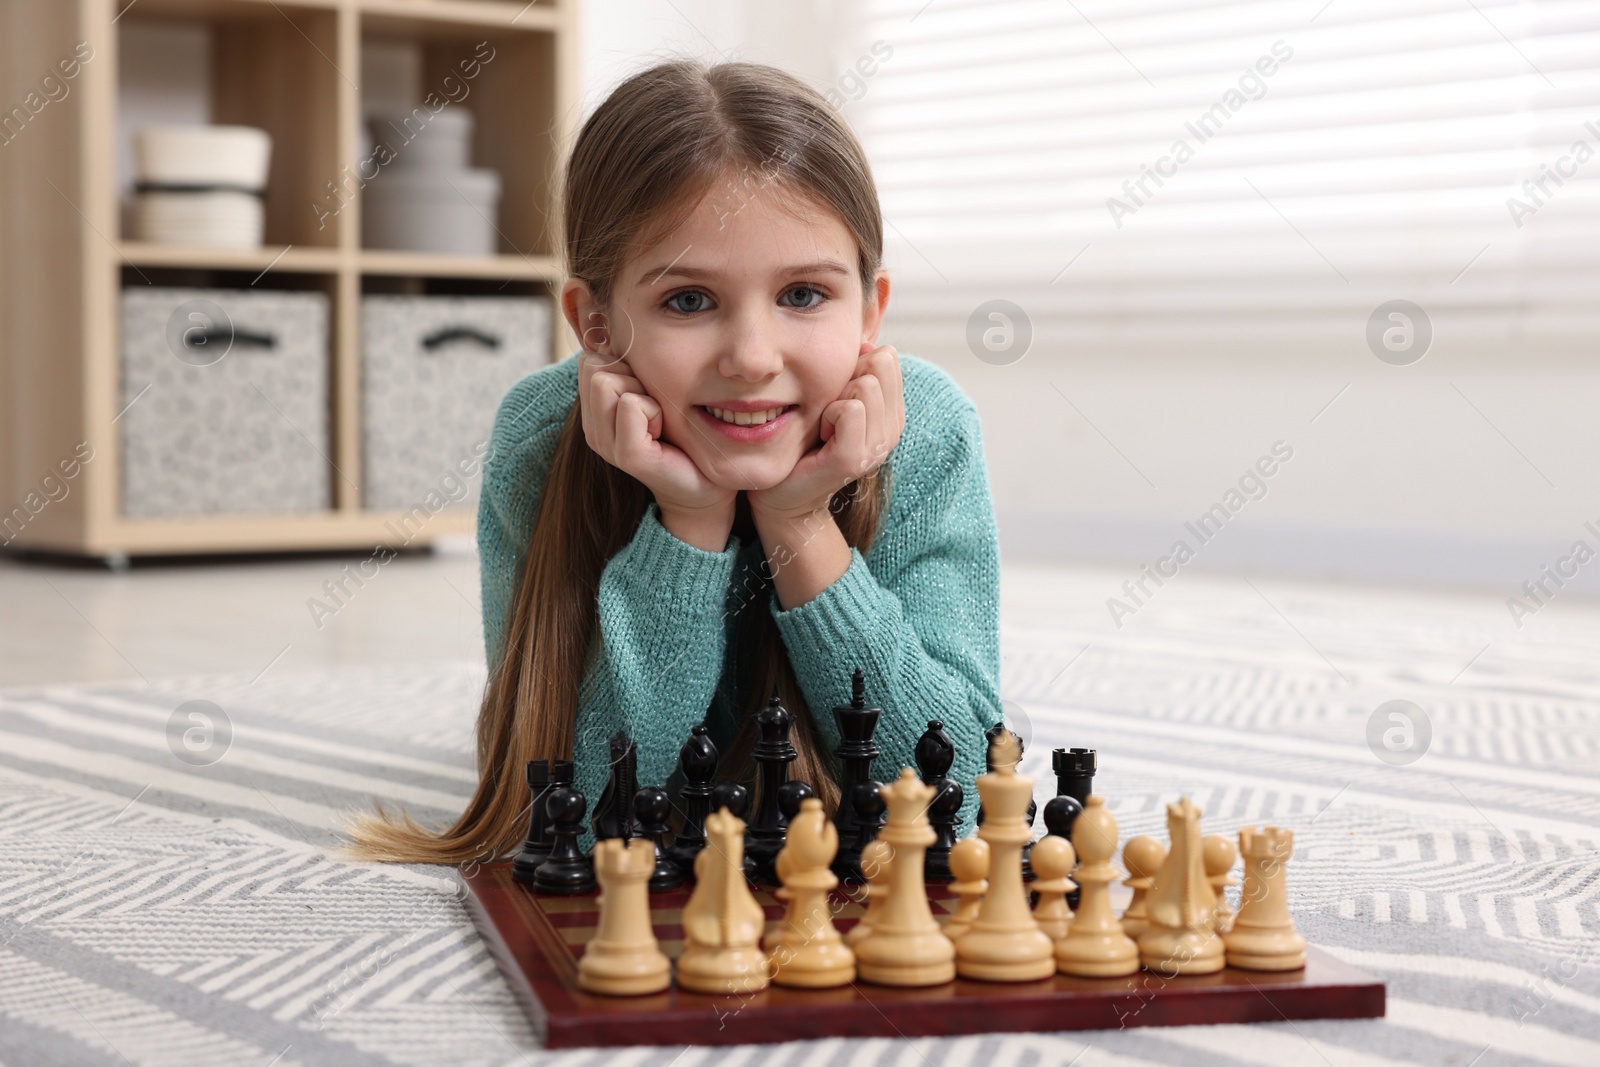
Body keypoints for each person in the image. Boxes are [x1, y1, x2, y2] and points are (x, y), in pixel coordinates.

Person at [347, 59, 1001, 863]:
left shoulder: (928, 431)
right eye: (688, 301)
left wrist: (801, 525)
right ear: (595, 324)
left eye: (803, 295)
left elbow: (960, 796)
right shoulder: (538, 437)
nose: (754, 358)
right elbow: (575, 819)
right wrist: (688, 524)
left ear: (871, 311)